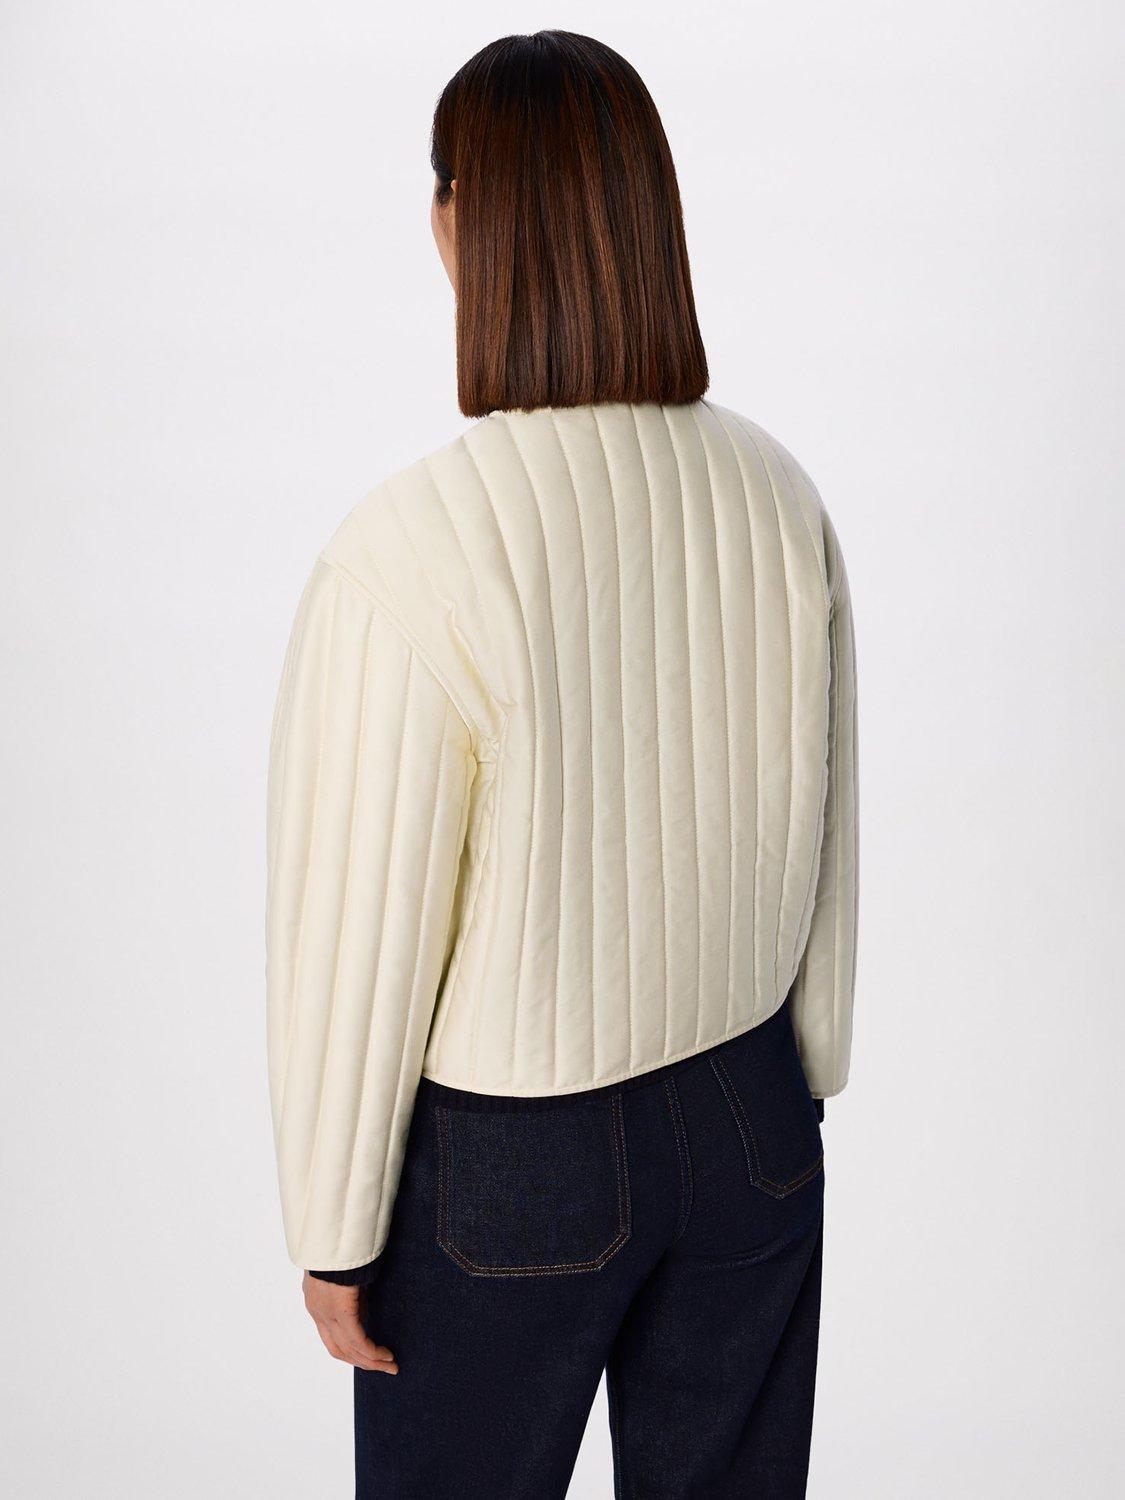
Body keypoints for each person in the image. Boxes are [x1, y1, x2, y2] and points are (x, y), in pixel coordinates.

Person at [266, 29, 858, 1499]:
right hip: (753, 1115)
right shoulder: (776, 495)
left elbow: (361, 920)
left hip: (511, 1166)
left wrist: (333, 1223)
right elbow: (827, 814)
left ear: (462, 219)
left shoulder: (412, 549)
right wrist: (812, 1064)